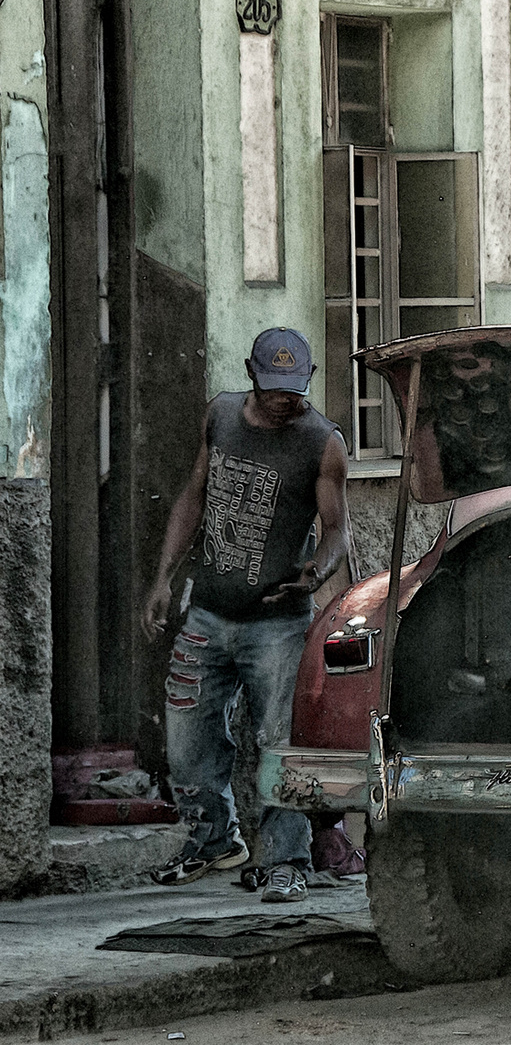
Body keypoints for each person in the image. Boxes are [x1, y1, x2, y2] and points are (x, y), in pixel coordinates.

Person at [142, 327, 350, 902]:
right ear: (250, 375)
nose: (288, 398)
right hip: (206, 613)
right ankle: (214, 842)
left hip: (278, 627)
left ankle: (288, 860)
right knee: (188, 741)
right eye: (275, 386)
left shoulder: (321, 441)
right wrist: (163, 578)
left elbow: (338, 531)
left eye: (296, 387)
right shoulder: (221, 416)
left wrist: (316, 572)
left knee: (280, 742)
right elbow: (193, 496)